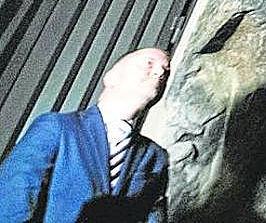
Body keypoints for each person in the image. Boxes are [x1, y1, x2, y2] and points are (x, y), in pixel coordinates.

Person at [0, 47, 171, 223]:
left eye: (165, 72)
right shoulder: (57, 127)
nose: (159, 73)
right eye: (149, 63)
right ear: (111, 77)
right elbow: (13, 197)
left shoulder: (156, 157)